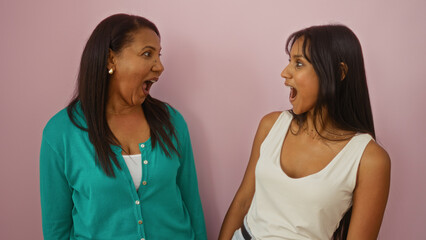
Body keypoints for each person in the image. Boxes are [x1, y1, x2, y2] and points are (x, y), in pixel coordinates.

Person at [40, 14, 207, 240]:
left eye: (159, 55)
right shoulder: (61, 133)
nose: (160, 66)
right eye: (147, 54)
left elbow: (192, 206)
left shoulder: (172, 121)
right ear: (110, 59)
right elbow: (56, 229)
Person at [219, 24, 391, 240]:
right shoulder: (271, 125)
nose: (285, 72)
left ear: (339, 73)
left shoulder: (369, 159)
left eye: (298, 63)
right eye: (289, 61)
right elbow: (243, 201)